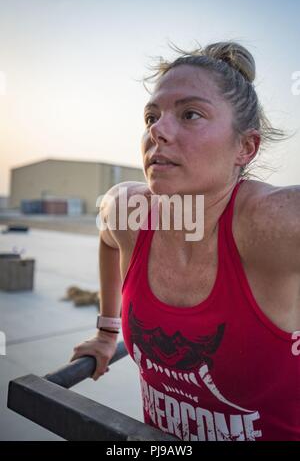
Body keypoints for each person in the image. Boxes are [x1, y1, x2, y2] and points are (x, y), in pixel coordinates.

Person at [70, 41, 300, 441]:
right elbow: (107, 240)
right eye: (151, 116)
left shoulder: (272, 222)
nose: (157, 130)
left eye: (190, 114)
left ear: (245, 147)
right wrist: (108, 332)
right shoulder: (128, 209)